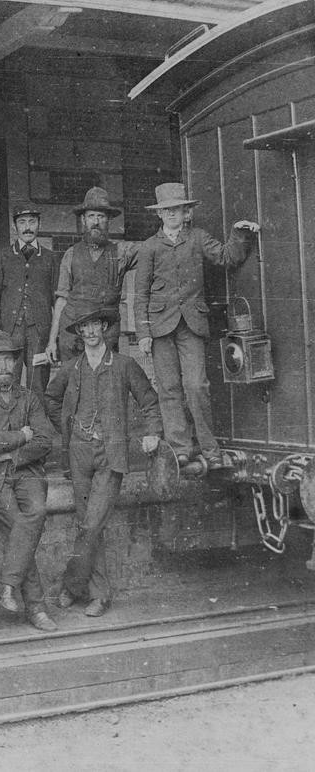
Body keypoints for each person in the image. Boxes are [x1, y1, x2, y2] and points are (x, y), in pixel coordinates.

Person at [45, 309, 162, 617]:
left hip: (110, 453)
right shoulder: (72, 368)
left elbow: (149, 400)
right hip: (79, 451)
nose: (91, 330)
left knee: (93, 522)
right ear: (80, 332)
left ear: (105, 328)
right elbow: (51, 399)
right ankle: (96, 593)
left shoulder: (124, 365)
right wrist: (67, 428)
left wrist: (152, 432)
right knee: (88, 524)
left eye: (96, 324)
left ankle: (72, 586)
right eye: (85, 325)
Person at [134, 183, 259, 471]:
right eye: (166, 210)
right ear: (160, 214)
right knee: (168, 388)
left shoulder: (198, 238)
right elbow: (140, 293)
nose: (171, 215)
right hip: (161, 327)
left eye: (176, 209)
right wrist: (142, 333)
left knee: (196, 386)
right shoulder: (150, 246)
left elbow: (227, 256)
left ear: (185, 212)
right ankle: (180, 449)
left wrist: (240, 233)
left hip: (192, 325)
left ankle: (209, 448)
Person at [0, 330, 57, 633]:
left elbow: (45, 440)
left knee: (37, 511)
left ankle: (6, 584)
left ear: (15, 363)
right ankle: (37, 607)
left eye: (8, 359)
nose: (4, 366)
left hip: (25, 471)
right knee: (22, 523)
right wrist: (21, 435)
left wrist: (12, 456)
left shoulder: (29, 397)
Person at [46, 187, 137, 366]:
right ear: (83, 220)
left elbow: (153, 253)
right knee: (74, 383)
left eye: (101, 216)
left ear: (109, 220)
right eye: (91, 216)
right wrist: (51, 341)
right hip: (72, 333)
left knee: (106, 383)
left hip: (106, 332)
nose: (96, 222)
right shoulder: (71, 254)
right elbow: (62, 300)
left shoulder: (121, 252)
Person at [0, 204, 58, 394]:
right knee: (7, 379)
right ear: (15, 226)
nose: (27, 227)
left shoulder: (50, 258)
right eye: (22, 222)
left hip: (39, 333)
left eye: (32, 221)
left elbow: (58, 300)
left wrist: (54, 338)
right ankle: (9, 423)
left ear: (39, 224)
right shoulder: (3, 256)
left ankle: (36, 422)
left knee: (38, 383)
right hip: (10, 332)